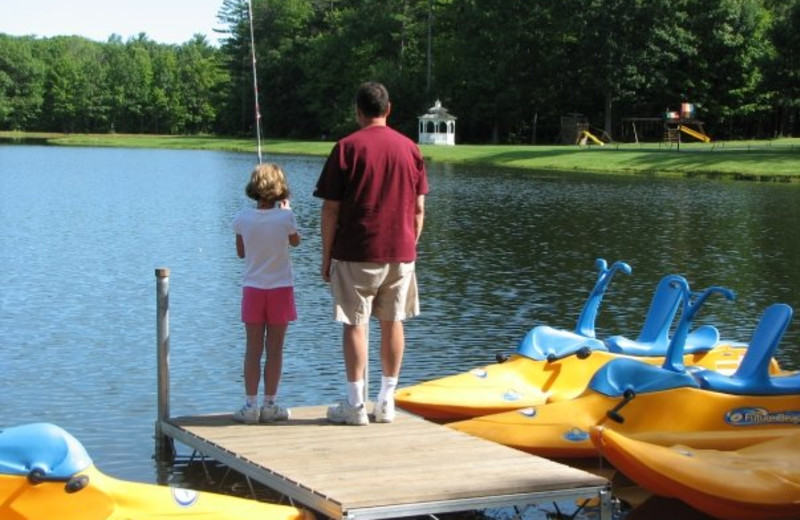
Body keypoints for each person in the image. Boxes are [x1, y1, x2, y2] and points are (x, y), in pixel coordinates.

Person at [313, 81, 429, 425]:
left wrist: (326, 256)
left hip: (355, 251)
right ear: (388, 109)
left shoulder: (346, 148)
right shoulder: (410, 149)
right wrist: (410, 244)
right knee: (393, 322)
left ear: (358, 111)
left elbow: (330, 209)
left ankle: (355, 405)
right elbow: (419, 209)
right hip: (401, 252)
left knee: (354, 324)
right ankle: (387, 401)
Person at [232, 163, 301, 424]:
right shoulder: (286, 217)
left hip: (253, 289)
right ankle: (270, 404)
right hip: (281, 289)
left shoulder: (241, 218)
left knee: (252, 349)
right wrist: (287, 212)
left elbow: (241, 253)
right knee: (275, 350)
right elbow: (296, 241)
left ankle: (250, 405)